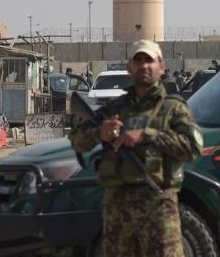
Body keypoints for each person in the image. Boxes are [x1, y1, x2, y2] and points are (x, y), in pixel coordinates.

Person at [69, 39, 202, 257]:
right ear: (130, 67)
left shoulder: (173, 109)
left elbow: (193, 147)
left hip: (158, 208)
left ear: (161, 67)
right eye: (138, 60)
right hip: (118, 211)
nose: (144, 66)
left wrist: (147, 135)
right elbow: (76, 140)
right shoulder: (114, 108)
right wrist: (99, 132)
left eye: (149, 60)